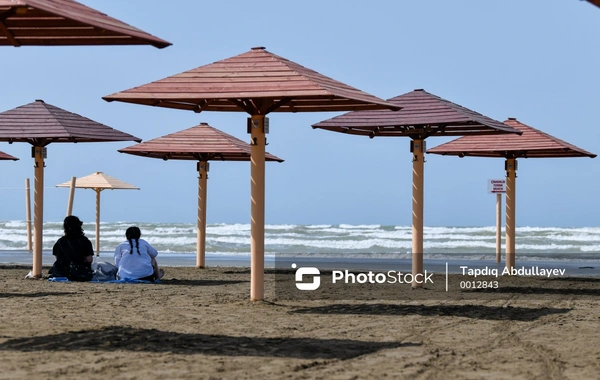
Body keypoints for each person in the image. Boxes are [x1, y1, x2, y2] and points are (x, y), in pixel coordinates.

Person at [49, 215, 94, 280]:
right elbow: (89, 260)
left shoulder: (60, 242)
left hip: (60, 272)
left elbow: (57, 258)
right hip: (79, 272)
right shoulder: (85, 241)